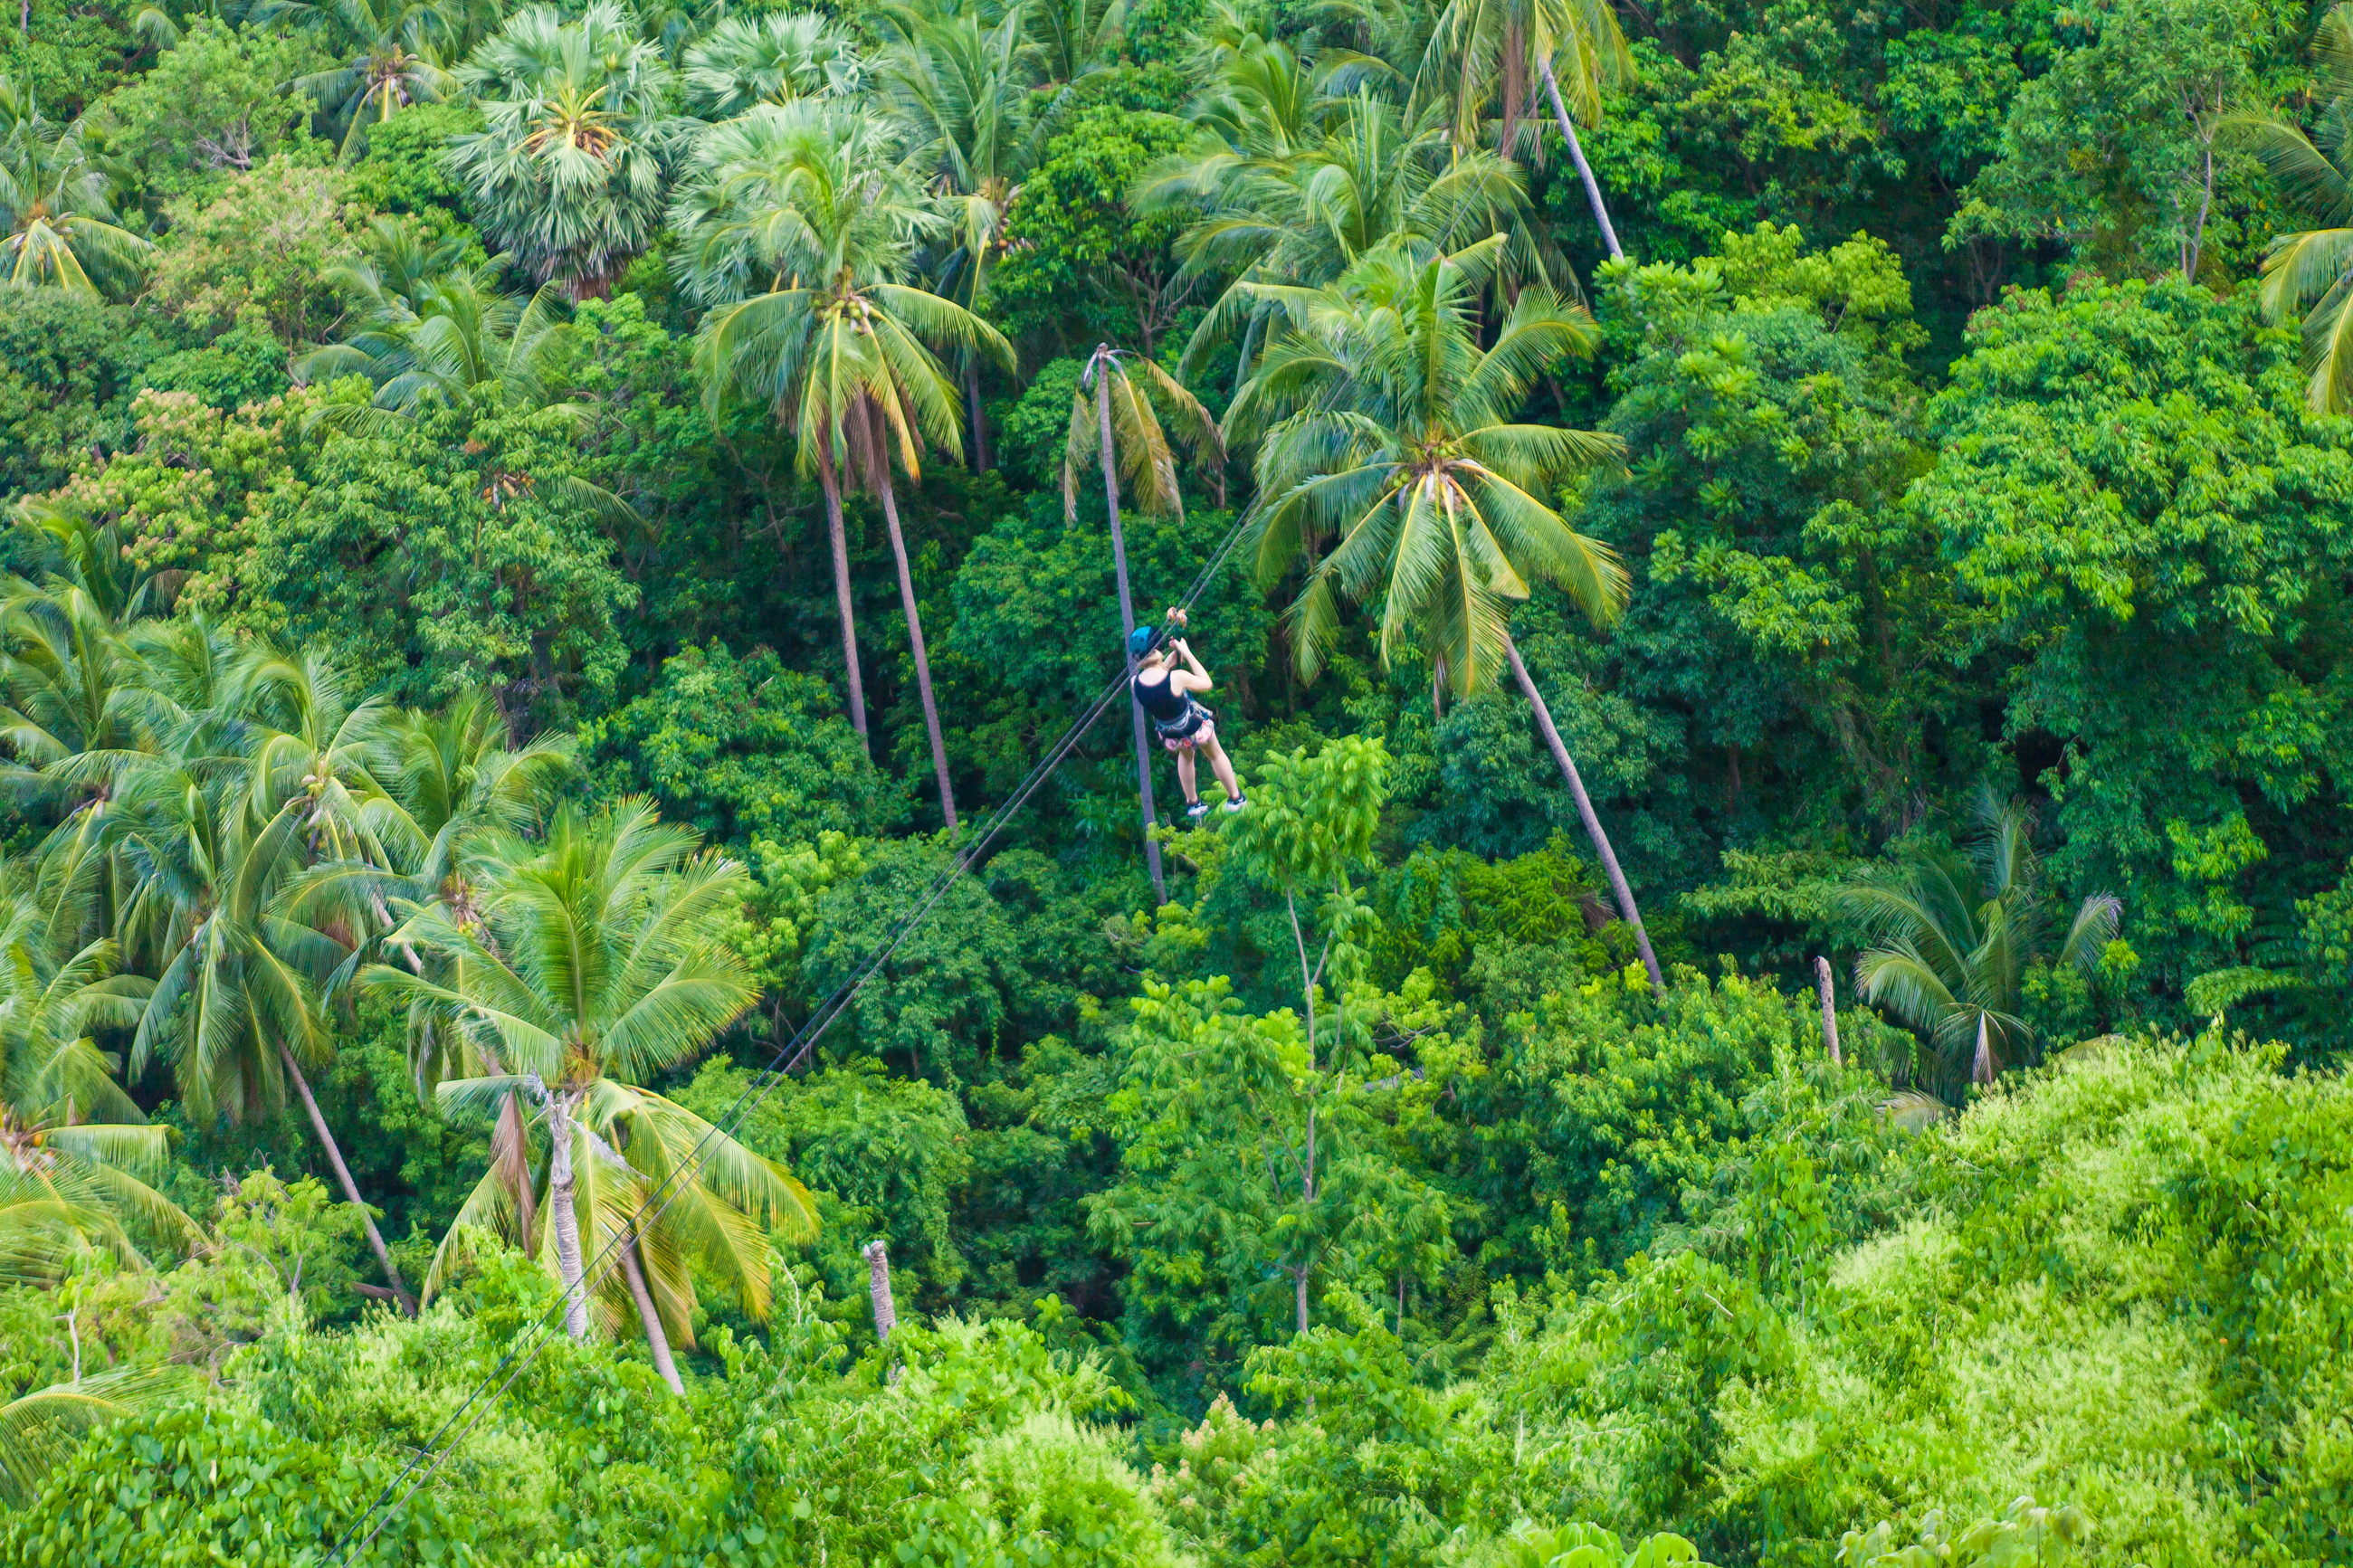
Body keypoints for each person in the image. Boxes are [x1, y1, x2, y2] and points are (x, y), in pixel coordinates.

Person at [1129, 608, 1244, 821]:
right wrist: (1187, 653)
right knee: (1215, 754)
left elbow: (1156, 677)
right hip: (1193, 728)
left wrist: (1172, 657)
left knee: (1186, 755)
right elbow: (1206, 683)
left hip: (1171, 734)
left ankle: (1193, 801)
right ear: (1157, 649)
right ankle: (1235, 797)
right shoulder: (1177, 678)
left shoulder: (1135, 683)